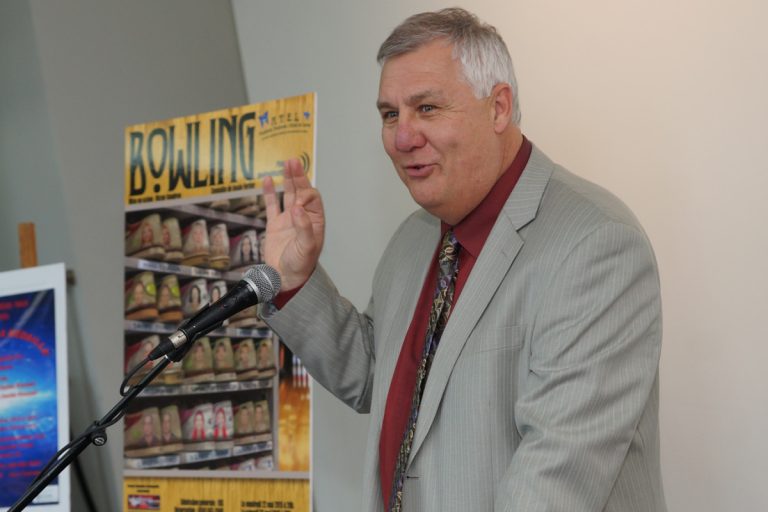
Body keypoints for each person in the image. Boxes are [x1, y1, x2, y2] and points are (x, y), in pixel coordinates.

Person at [260, 8, 665, 512]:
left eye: (426, 108)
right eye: (390, 114)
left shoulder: (597, 245)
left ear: (498, 108)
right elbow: (379, 380)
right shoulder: (414, 239)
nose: (402, 137)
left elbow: (554, 483)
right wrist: (296, 281)